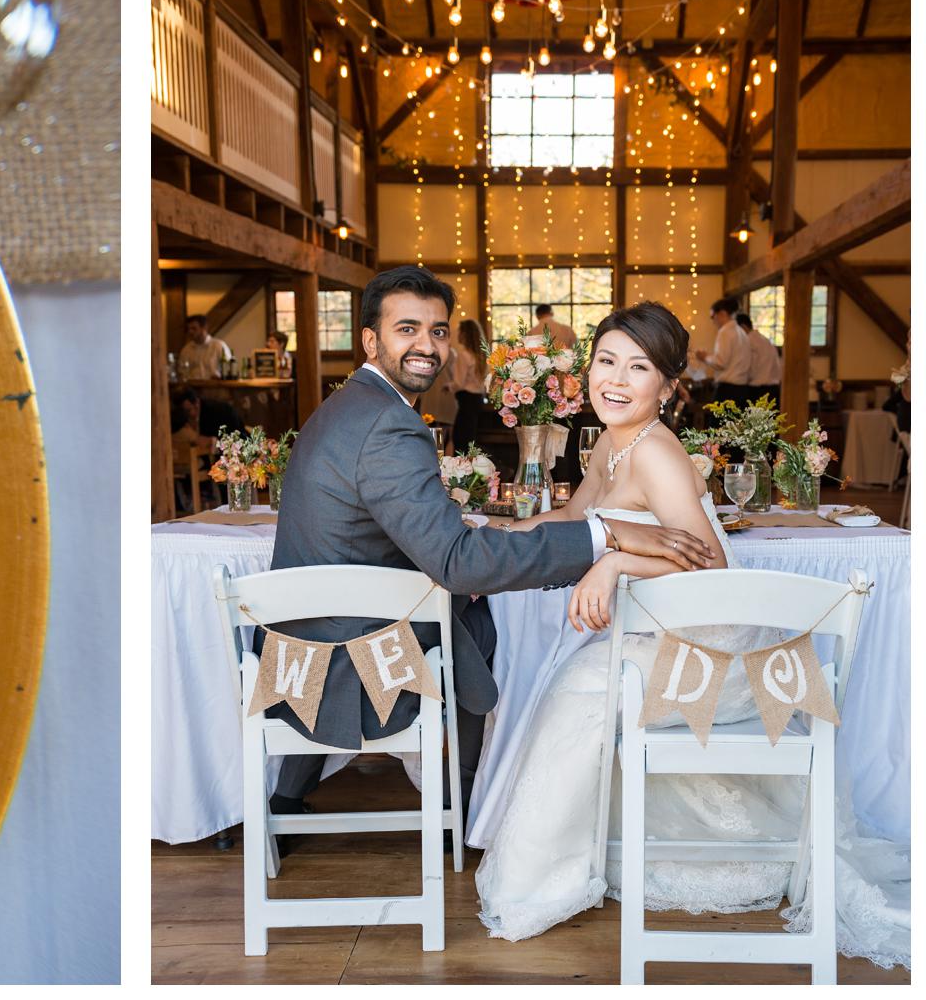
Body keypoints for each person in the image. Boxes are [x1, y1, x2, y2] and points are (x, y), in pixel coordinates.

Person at [470, 302, 910, 967]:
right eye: (606, 361)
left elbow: (711, 564)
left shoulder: (658, 454)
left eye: (638, 367)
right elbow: (574, 516)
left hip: (716, 647)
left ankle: (544, 884)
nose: (615, 380)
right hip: (671, 632)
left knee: (579, 688)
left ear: (669, 388)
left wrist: (616, 561)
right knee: (574, 674)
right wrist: (495, 536)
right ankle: (585, 857)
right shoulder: (613, 444)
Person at [262, 268, 714, 848]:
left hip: (307, 645)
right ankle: (462, 805)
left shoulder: (353, 407)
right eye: (408, 329)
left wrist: (585, 543)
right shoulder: (389, 426)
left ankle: (434, 802)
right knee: (481, 621)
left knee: (490, 615)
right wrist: (606, 539)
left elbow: (592, 530)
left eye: (438, 330)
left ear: (666, 385)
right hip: (354, 658)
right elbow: (467, 560)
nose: (427, 345)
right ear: (372, 341)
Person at [693, 299, 755, 406]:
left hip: (728, 390)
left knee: (719, 423)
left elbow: (720, 363)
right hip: (742, 389)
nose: (712, 321)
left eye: (712, 316)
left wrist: (705, 357)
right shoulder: (741, 331)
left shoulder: (725, 331)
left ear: (722, 313)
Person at [450, 319, 489, 451]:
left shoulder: (464, 355)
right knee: (470, 439)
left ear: (465, 334)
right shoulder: (481, 356)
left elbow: (459, 383)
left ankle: (461, 470)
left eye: (460, 332)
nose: (457, 335)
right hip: (478, 400)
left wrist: (448, 386)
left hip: (466, 400)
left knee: (460, 439)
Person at [740, 311, 783, 406]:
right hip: (774, 389)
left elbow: (749, 368)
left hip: (757, 391)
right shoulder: (765, 340)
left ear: (743, 327)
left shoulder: (748, 341)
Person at [178, 314, 232, 382]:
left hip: (215, 387)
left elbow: (229, 368)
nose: (190, 332)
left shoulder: (219, 345)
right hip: (192, 389)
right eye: (188, 329)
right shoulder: (186, 350)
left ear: (204, 328)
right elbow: (182, 372)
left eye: (194, 328)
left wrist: (220, 376)